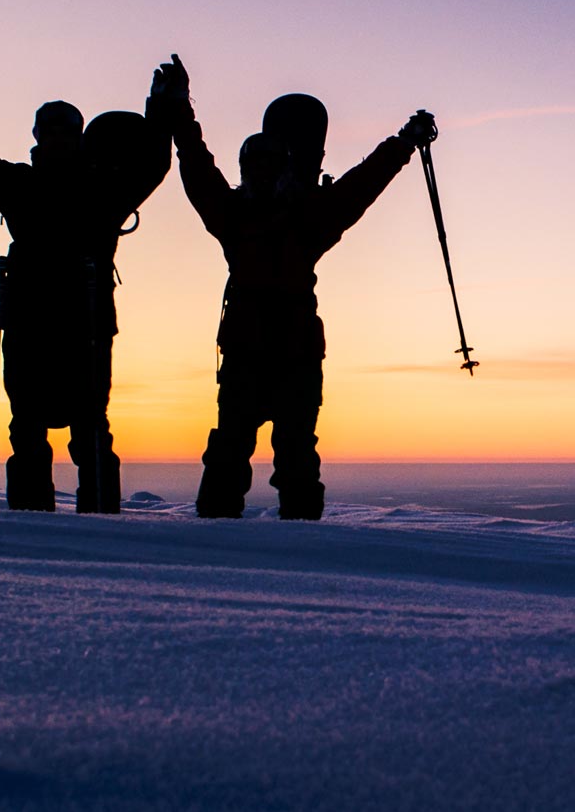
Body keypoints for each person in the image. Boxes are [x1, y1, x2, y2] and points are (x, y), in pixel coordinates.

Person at [153, 54, 436, 520]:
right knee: (262, 452)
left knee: (272, 453)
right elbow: (196, 164)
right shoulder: (293, 216)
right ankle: (268, 538)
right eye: (256, 165)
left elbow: (363, 183)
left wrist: (403, 143)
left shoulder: (263, 215)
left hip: (276, 353)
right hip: (278, 353)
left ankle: (235, 538)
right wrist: (180, 108)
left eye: (268, 165)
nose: (261, 173)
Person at [0, 37, 172, 513]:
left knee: (90, 431)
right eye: (50, 131)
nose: (57, 139)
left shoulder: (100, 190)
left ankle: (99, 524)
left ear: (78, 137)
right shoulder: (24, 185)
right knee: (29, 431)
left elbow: (154, 165)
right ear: (38, 137)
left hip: (82, 328)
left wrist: (162, 110)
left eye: (65, 131)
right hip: (33, 327)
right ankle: (33, 527)